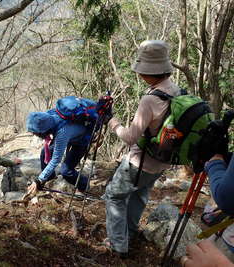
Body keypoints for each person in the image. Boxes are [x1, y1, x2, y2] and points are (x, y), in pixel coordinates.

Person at [102, 40, 181, 258]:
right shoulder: (177, 91)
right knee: (140, 194)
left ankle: (118, 245)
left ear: (149, 72)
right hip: (162, 161)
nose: (139, 75)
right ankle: (130, 232)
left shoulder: (150, 99)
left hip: (140, 162)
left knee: (114, 196)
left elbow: (130, 137)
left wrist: (111, 121)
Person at [25, 104, 96, 195]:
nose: (35, 135)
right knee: (45, 153)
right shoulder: (49, 117)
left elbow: (56, 159)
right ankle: (50, 179)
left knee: (66, 171)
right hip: (70, 135)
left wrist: (39, 180)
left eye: (36, 133)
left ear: (43, 130)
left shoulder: (62, 133)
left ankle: (84, 186)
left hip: (81, 141)